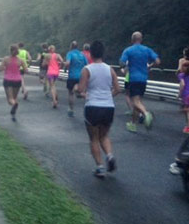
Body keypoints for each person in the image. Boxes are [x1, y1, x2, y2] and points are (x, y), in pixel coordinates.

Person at [78, 40, 120, 178]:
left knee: (94, 138)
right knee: (104, 135)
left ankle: (100, 167)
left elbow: (81, 89)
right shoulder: (110, 69)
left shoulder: (87, 69)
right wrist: (108, 96)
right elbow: (118, 89)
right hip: (108, 107)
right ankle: (110, 155)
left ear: (90, 53)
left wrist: (84, 94)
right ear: (103, 53)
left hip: (93, 107)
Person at [120, 31, 160, 133]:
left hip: (133, 78)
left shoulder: (128, 50)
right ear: (141, 39)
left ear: (132, 40)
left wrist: (125, 68)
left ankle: (146, 114)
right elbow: (158, 61)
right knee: (137, 102)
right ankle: (133, 124)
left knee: (135, 102)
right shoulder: (147, 50)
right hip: (143, 79)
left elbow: (121, 62)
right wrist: (149, 66)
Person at [0, 44, 27, 121]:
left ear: (10, 50)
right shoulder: (21, 60)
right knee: (14, 98)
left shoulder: (6, 59)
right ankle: (14, 107)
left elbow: (0, 69)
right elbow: (26, 70)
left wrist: (5, 67)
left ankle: (14, 104)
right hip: (17, 80)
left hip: (8, 80)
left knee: (10, 99)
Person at [64, 41, 88, 117]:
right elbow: (87, 65)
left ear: (71, 46)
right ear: (78, 46)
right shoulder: (82, 54)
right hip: (81, 76)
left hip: (72, 76)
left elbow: (67, 63)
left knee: (71, 93)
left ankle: (71, 109)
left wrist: (64, 66)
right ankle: (88, 106)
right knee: (81, 92)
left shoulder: (70, 53)